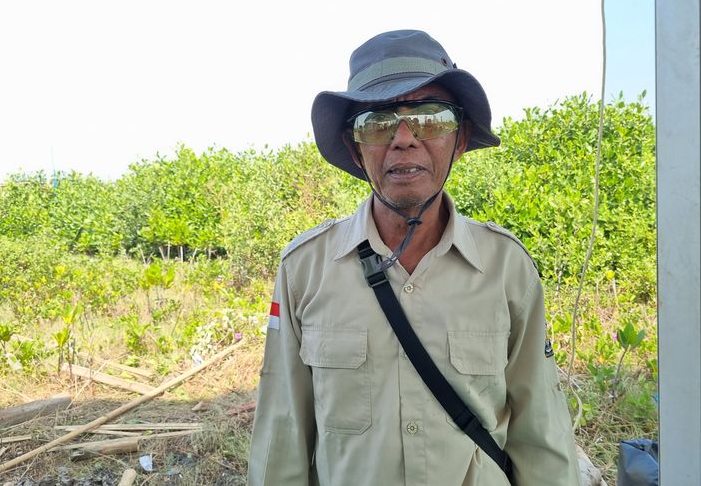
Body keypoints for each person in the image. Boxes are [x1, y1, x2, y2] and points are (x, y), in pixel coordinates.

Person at [247, 29, 580, 486]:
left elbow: (539, 431)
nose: (404, 139)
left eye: (431, 118)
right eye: (377, 123)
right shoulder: (304, 268)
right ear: (355, 149)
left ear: (460, 140)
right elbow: (283, 431)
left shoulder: (507, 267)